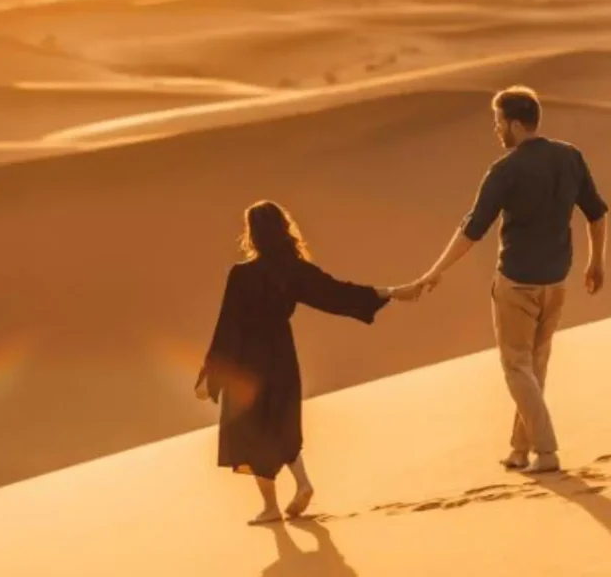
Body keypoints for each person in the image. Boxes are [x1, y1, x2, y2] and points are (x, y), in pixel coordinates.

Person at [412, 85, 607, 474]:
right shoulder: (570, 157)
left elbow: (473, 227)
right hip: (557, 282)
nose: (496, 129)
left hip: (517, 284)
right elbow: (597, 213)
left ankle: (546, 451)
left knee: (517, 368)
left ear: (516, 124)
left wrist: (435, 271)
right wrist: (596, 262)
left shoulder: (506, 170)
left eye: (498, 121)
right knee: (534, 368)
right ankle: (520, 449)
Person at [194, 200, 419, 525]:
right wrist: (391, 292)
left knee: (252, 430)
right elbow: (337, 294)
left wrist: (211, 376)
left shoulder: (242, 275)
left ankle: (271, 506)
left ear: (252, 234)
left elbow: (227, 327)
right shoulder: (294, 270)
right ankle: (301, 482)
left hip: (248, 363)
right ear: (283, 228)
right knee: (280, 423)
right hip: (283, 355)